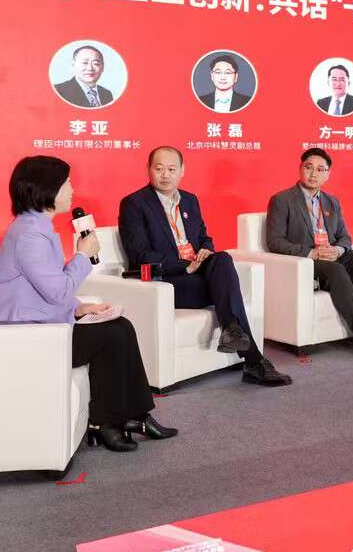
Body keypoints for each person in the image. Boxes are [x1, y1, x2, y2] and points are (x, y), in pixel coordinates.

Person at [0, 155, 176, 452]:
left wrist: (78, 308)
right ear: (47, 188)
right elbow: (57, 291)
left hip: (39, 327)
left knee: (120, 326)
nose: (72, 190)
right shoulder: (31, 234)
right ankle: (106, 422)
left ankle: (133, 416)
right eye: (67, 183)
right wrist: (83, 256)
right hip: (22, 337)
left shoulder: (35, 226)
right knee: (111, 335)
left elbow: (45, 288)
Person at [119, 146, 290, 386]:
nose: (165, 175)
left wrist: (205, 250)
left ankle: (233, 331)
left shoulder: (189, 200)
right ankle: (253, 360)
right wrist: (184, 267)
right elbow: (140, 254)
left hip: (196, 272)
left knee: (222, 258)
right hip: (165, 281)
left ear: (182, 171)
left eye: (171, 169)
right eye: (159, 169)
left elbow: (203, 238)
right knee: (226, 288)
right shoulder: (134, 204)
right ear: (148, 169)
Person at [264, 148, 353, 359]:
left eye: (320, 169)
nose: (313, 174)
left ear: (328, 174)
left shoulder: (331, 201)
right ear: (300, 169)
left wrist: (337, 249)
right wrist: (312, 253)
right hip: (307, 261)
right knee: (335, 270)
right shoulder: (282, 200)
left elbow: (345, 237)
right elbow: (275, 241)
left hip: (334, 255)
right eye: (309, 167)